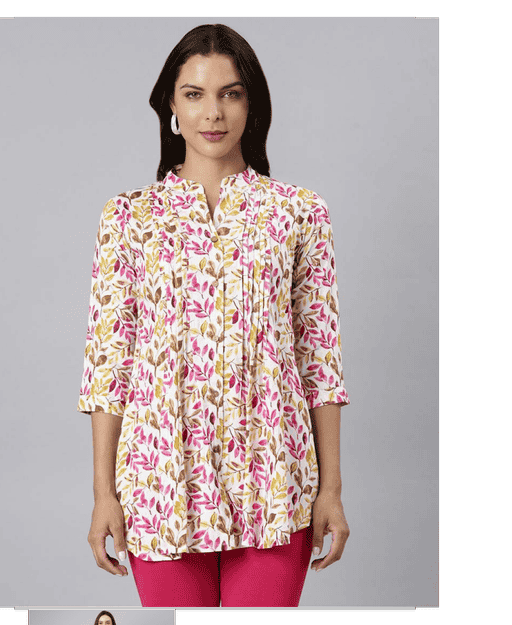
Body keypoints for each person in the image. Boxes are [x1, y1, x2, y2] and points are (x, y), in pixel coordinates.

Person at [77, 23, 351, 608]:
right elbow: (109, 366)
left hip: (275, 480)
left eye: (231, 93)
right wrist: (104, 494)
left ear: (252, 105)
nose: (213, 112)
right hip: (160, 483)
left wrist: (330, 488)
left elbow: (320, 362)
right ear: (171, 107)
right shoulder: (128, 217)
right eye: (194, 94)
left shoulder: (299, 213)